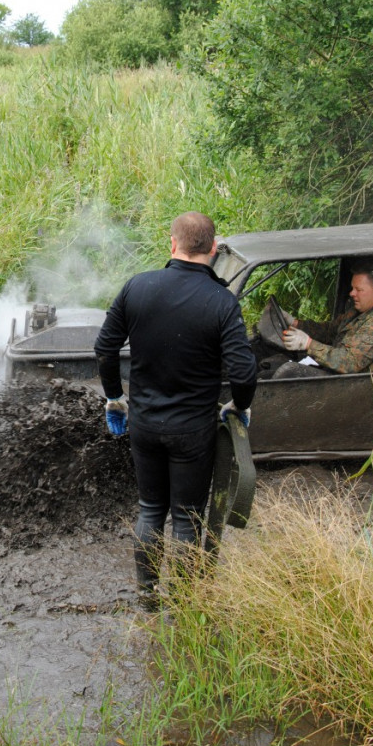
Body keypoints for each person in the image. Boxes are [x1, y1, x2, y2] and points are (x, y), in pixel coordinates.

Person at [94, 211, 257, 605]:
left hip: (145, 425)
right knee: (186, 517)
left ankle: (148, 598)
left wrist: (115, 397)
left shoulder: (137, 287)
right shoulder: (222, 302)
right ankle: (183, 603)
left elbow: (104, 347)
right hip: (193, 432)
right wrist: (239, 405)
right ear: (214, 250)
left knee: (151, 509)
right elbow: (244, 369)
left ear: (172, 244)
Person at [281, 262, 373, 373]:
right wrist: (295, 323)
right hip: (334, 375)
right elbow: (330, 330)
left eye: (359, 289)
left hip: (351, 386)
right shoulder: (357, 311)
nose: (352, 293)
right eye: (353, 288)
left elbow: (350, 363)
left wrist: (308, 344)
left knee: (288, 372)